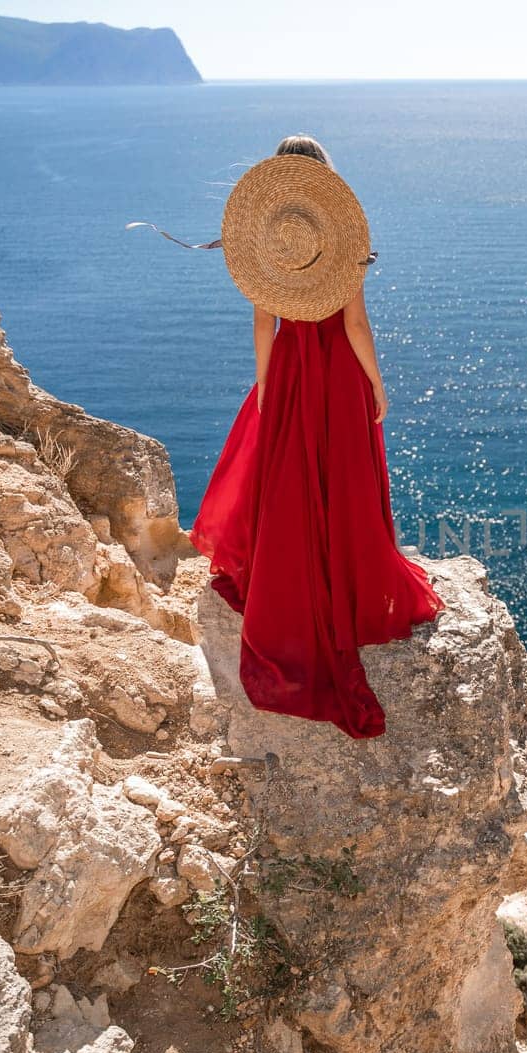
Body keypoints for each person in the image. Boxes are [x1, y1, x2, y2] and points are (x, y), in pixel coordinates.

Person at [190, 134, 443, 740]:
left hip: (292, 374)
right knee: (346, 484)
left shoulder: (267, 251)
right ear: (324, 185)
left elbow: (263, 325)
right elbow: (354, 323)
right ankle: (351, 587)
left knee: (291, 489)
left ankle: (298, 579)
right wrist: (377, 384)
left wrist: (268, 391)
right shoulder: (341, 242)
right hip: (338, 378)